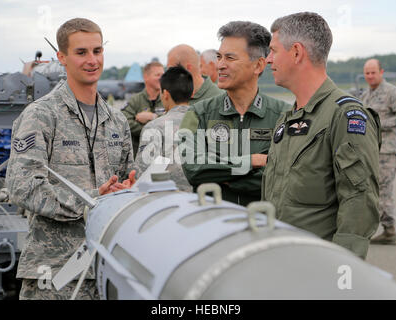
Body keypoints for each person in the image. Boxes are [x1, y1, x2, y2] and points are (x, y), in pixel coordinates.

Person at [6, 18, 136, 300]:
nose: (92, 60)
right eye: (82, 53)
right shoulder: (41, 115)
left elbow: (126, 178)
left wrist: (129, 192)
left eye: (97, 51)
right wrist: (90, 201)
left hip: (107, 266)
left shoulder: (116, 120)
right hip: (54, 271)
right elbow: (22, 185)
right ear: (62, 57)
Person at [262, 12, 381, 259]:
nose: (268, 59)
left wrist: (342, 271)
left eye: (273, 50)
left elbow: (359, 201)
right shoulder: (288, 119)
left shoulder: (345, 115)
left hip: (317, 266)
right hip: (280, 260)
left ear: (296, 52)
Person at [180, 21, 291, 206]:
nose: (220, 65)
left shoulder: (284, 115)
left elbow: (281, 178)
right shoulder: (196, 113)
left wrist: (222, 177)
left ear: (258, 65)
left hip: (265, 226)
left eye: (230, 58)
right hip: (212, 225)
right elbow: (193, 169)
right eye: (219, 57)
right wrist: (251, 161)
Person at [360, 59, 396, 245]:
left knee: (383, 191)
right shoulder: (365, 95)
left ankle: (390, 231)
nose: (370, 76)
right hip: (370, 150)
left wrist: (379, 124)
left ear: (381, 72)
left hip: (387, 152)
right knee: (370, 191)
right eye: (367, 73)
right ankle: (375, 227)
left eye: (373, 72)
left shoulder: (392, 92)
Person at [135, 65, 193, 192]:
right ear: (191, 93)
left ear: (165, 94)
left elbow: (140, 178)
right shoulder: (206, 124)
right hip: (202, 203)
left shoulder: (154, 128)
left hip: (166, 204)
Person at [121, 61, 165, 157]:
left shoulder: (168, 99)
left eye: (163, 75)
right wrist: (150, 131)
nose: (162, 78)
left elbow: (173, 120)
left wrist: (154, 117)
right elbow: (125, 122)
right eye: (158, 75)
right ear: (146, 77)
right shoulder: (135, 100)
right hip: (140, 157)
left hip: (163, 156)